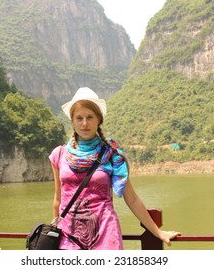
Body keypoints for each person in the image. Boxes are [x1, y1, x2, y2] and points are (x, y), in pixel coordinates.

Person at [49, 87, 181, 250]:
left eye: (90, 117)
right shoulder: (59, 154)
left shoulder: (112, 155)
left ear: (98, 119)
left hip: (105, 237)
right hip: (67, 239)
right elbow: (58, 200)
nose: (85, 123)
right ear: (72, 121)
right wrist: (53, 235)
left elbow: (131, 198)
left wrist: (158, 232)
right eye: (79, 118)